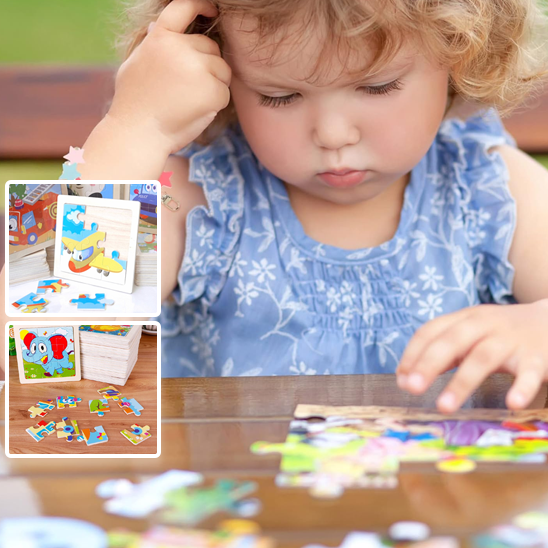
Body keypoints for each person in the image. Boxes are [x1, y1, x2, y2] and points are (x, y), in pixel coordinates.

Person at [78, 0, 548, 412]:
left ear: (461, 52)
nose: (333, 133)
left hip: (448, 506)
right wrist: (131, 132)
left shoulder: (485, 189)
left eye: (378, 86)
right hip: (235, 507)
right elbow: (33, 347)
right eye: (278, 96)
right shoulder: (200, 198)